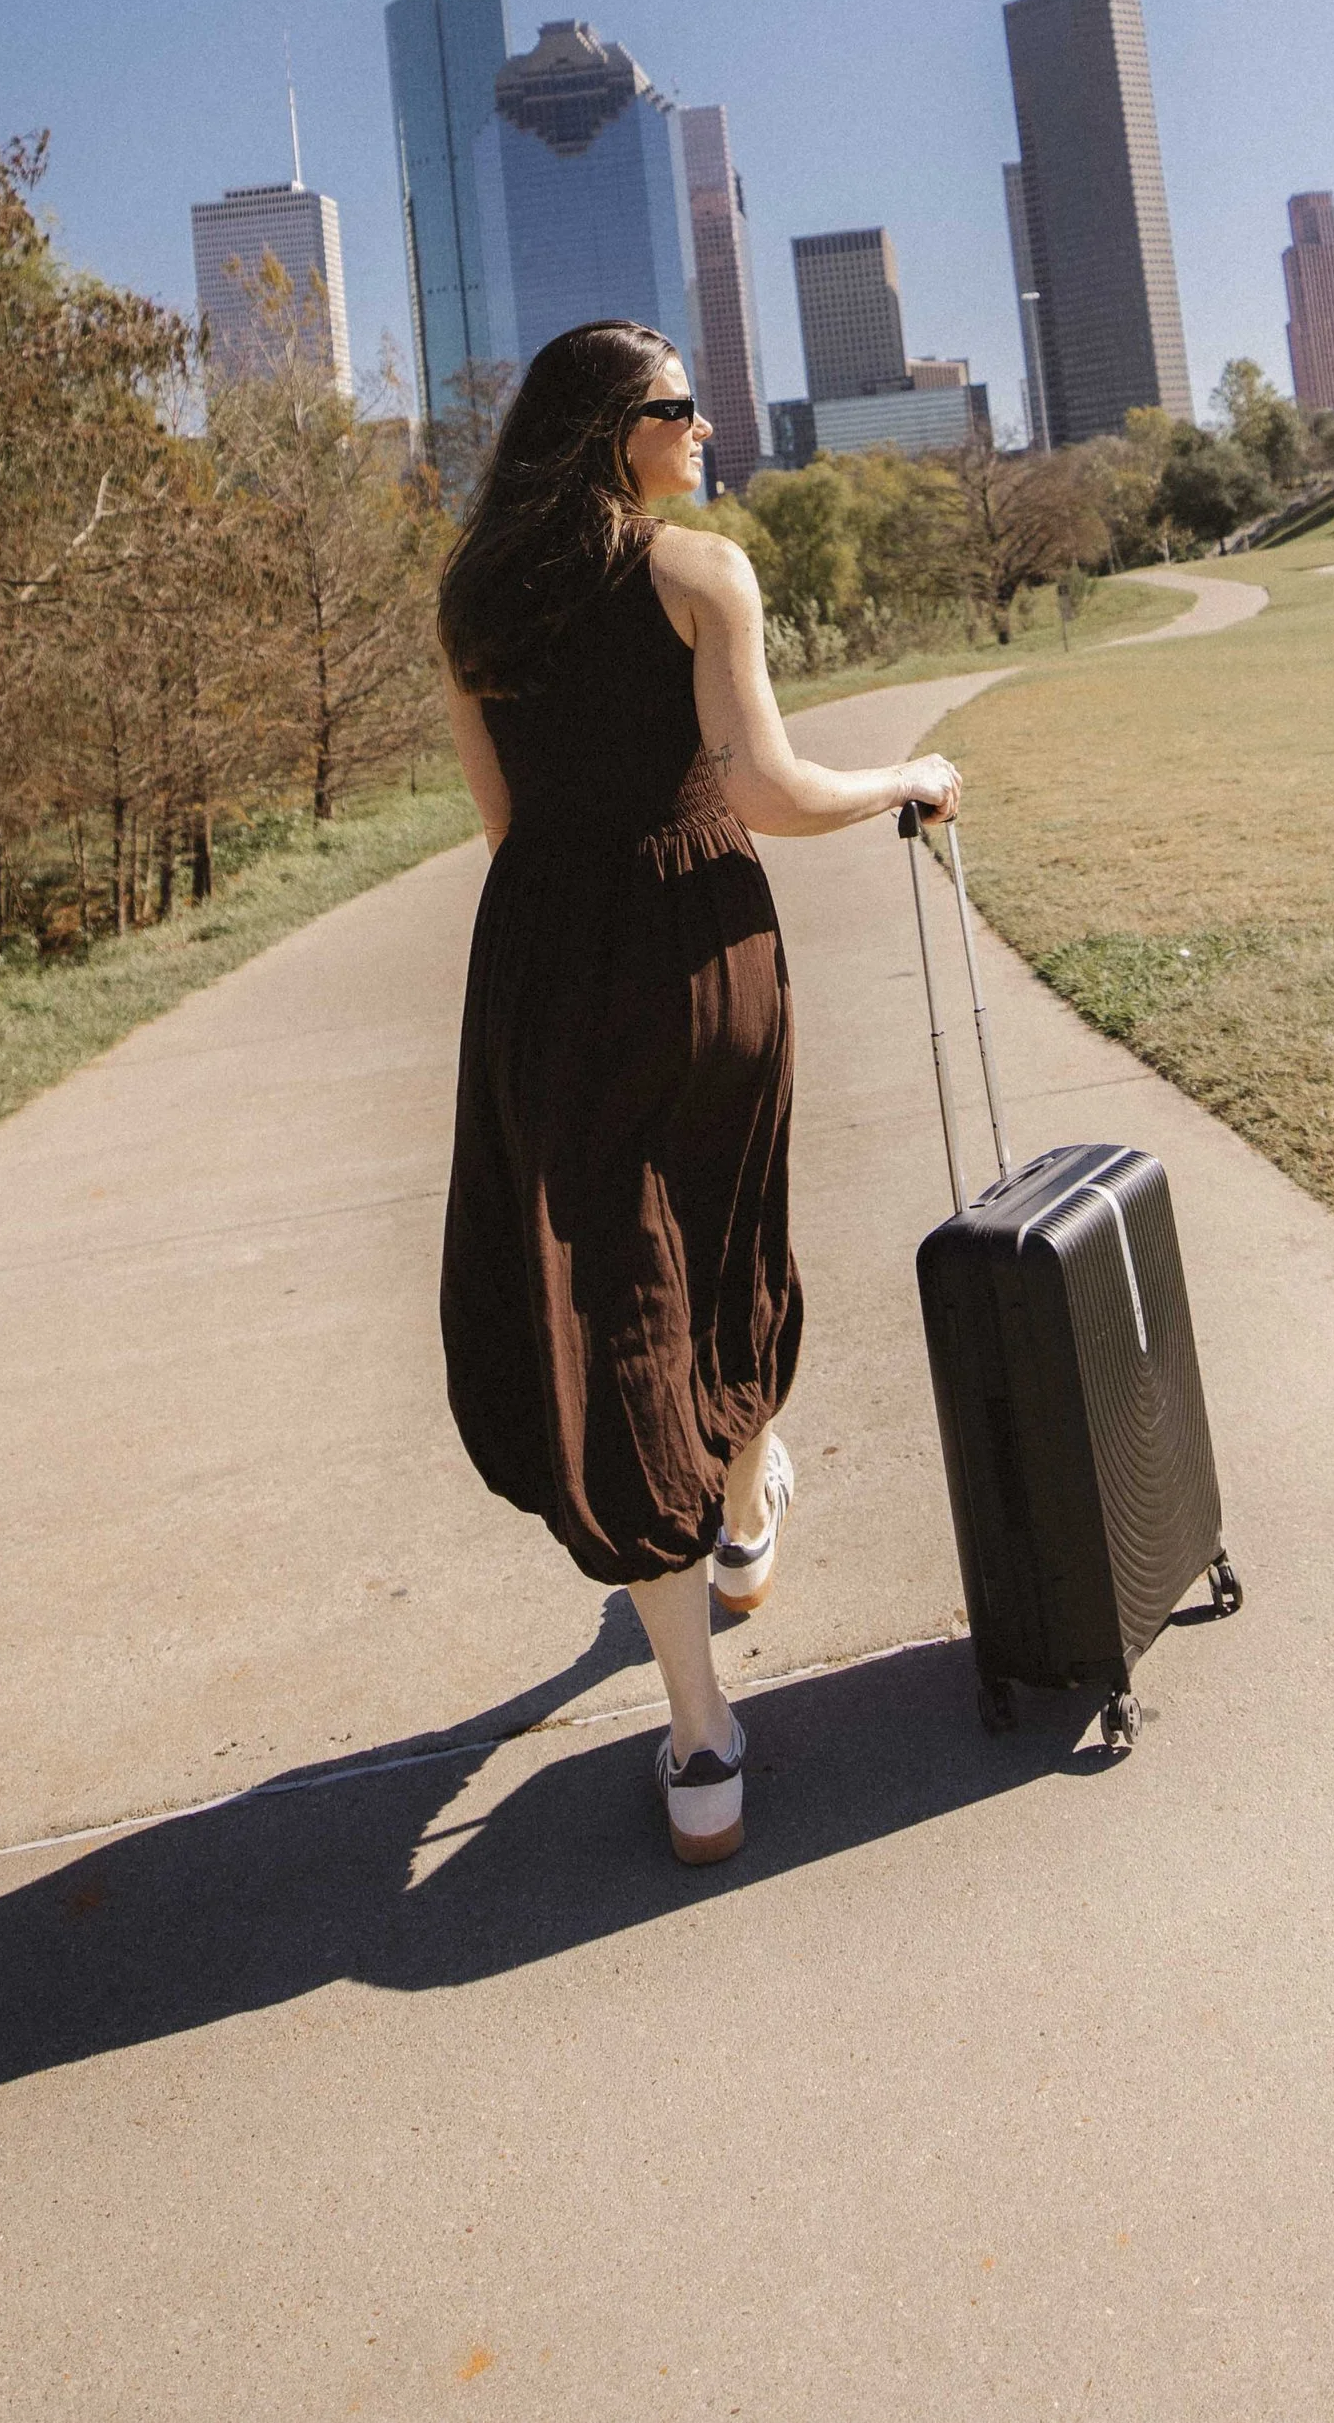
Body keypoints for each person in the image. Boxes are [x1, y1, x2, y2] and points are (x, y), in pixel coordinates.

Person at [435, 320, 959, 1866]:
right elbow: (769, 792)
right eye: (677, 407)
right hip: (698, 946)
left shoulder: (471, 602)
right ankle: (739, 1512)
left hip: (545, 968)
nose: (706, 422)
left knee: (619, 1310)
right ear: (618, 436)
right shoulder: (696, 572)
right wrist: (907, 783)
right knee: (724, 1248)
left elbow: (500, 824)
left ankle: (699, 1737)